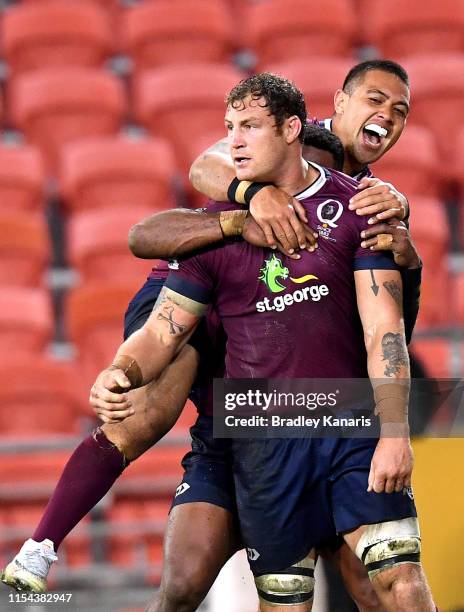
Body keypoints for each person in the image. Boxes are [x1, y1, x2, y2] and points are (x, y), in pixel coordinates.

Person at [1, 62, 421, 611]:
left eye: (400, 111)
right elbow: (165, 211)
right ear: (337, 103)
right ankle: (41, 545)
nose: (384, 117)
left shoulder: (362, 202)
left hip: (283, 395)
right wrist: (250, 199)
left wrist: (407, 254)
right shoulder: (283, 142)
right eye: (374, 100)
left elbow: (390, 326)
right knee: (148, 415)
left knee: (374, 581)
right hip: (201, 309)